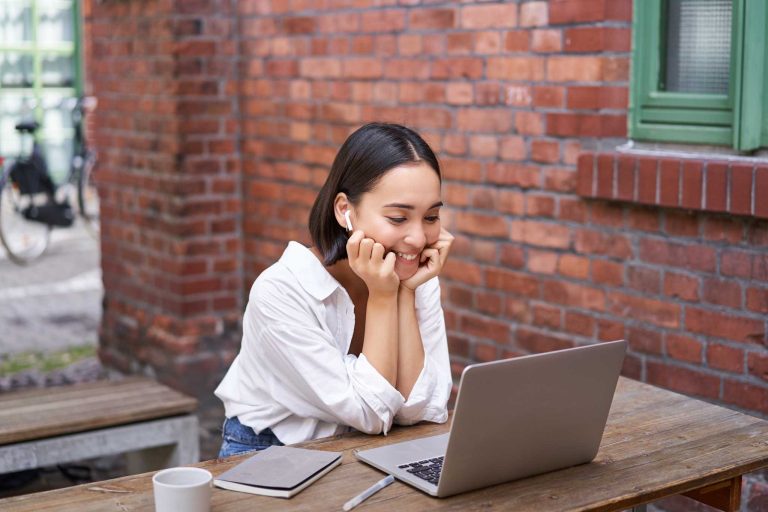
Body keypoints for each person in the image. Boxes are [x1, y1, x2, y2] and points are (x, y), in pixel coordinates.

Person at [215, 122, 454, 457]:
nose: (417, 238)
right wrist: (385, 297)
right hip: (271, 452)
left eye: (430, 217)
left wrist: (405, 292)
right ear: (345, 210)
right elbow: (371, 414)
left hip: (367, 449)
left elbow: (420, 409)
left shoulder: (414, 276)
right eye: (399, 219)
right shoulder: (281, 291)